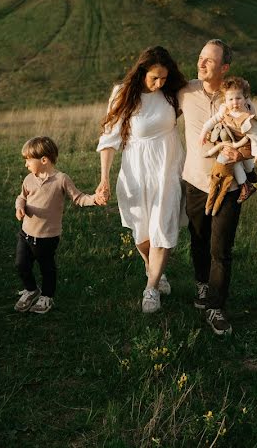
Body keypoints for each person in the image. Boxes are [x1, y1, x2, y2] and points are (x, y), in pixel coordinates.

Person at [96, 46, 188, 314]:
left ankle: (151, 288)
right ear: (141, 73)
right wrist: (104, 179)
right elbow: (109, 139)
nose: (160, 83)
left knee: (164, 224)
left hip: (168, 167)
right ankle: (152, 268)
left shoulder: (172, 93)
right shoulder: (123, 94)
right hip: (136, 169)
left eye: (164, 78)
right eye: (154, 78)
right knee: (142, 232)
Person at [178, 39, 247, 335]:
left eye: (210, 60)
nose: (201, 63)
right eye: (200, 57)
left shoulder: (235, 98)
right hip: (194, 181)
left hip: (228, 186)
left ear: (224, 67)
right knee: (198, 240)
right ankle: (203, 285)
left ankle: (216, 308)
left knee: (221, 249)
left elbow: (252, 142)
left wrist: (239, 153)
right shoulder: (185, 91)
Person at [14, 136, 104, 314]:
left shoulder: (61, 179)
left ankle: (47, 296)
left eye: (28, 160)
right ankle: (31, 290)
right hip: (26, 233)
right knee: (21, 264)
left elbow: (78, 198)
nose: (26, 165)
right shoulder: (28, 179)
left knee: (46, 267)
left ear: (44, 160)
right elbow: (22, 197)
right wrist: (20, 207)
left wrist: (95, 199)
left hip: (47, 237)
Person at [200, 76, 257, 211]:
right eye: (230, 99)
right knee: (235, 157)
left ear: (245, 98)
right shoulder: (224, 109)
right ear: (225, 100)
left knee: (235, 158)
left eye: (238, 98)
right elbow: (213, 120)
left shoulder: (248, 117)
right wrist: (204, 132)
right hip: (234, 140)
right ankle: (249, 175)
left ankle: (246, 183)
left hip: (247, 141)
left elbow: (254, 138)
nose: (235, 102)